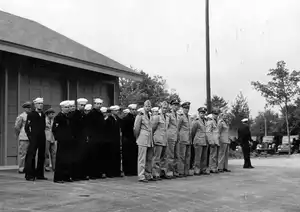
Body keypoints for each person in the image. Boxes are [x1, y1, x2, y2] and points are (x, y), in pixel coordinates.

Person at [24, 97, 47, 181]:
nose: (40, 105)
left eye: (41, 103)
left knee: (42, 155)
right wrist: (30, 136)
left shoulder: (43, 114)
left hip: (42, 136)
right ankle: (30, 174)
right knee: (31, 155)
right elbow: (27, 127)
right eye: (39, 103)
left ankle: (40, 174)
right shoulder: (31, 114)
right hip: (34, 137)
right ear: (35, 104)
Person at [52, 101, 73, 183]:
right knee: (60, 159)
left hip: (68, 140)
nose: (67, 109)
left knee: (67, 159)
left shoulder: (68, 117)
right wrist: (58, 138)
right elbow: (54, 129)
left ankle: (66, 176)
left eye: (68, 107)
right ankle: (58, 177)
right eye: (65, 107)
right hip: (62, 141)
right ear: (62, 108)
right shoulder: (58, 117)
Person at [134, 100, 153, 182]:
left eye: (149, 106)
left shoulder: (150, 115)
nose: (148, 107)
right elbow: (136, 128)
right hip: (142, 138)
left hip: (149, 139)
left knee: (149, 158)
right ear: (144, 106)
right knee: (142, 158)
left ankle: (148, 174)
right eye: (146, 106)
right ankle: (141, 175)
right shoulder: (140, 114)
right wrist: (137, 137)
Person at [70, 98, 89, 181]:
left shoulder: (84, 115)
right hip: (76, 139)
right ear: (78, 105)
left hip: (83, 138)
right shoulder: (74, 115)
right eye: (81, 105)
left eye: (84, 105)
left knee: (83, 157)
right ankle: (75, 175)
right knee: (76, 157)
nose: (83, 107)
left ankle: (82, 174)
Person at [86, 98, 105, 179]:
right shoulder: (91, 114)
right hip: (93, 137)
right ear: (94, 104)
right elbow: (88, 126)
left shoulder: (100, 114)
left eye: (100, 104)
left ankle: (98, 172)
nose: (99, 105)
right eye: (97, 104)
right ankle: (92, 173)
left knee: (99, 155)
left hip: (100, 137)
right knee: (93, 155)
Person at [151, 101, 169, 180]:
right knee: (156, 157)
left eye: (166, 108)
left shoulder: (167, 117)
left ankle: (162, 172)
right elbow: (152, 128)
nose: (164, 109)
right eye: (163, 108)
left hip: (164, 139)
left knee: (164, 157)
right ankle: (155, 173)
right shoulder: (157, 116)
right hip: (158, 138)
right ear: (160, 108)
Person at [191, 107, 210, 175]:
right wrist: (193, 139)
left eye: (204, 113)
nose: (202, 114)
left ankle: (203, 169)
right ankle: (197, 169)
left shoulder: (206, 121)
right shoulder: (196, 121)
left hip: (205, 140)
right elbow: (193, 131)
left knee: (204, 156)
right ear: (199, 113)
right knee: (198, 157)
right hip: (198, 140)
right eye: (201, 113)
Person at [105, 105, 122, 177]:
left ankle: (117, 171)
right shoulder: (108, 119)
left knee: (116, 155)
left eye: (117, 110)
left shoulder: (117, 118)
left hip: (116, 140)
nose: (117, 112)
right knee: (111, 156)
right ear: (112, 111)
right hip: (110, 140)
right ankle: (110, 172)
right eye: (115, 110)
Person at [14, 101, 32, 174]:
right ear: (24, 109)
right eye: (27, 108)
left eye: (30, 107)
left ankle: (29, 167)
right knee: (23, 153)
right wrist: (19, 134)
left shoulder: (32, 115)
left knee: (30, 153)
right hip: (24, 136)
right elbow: (17, 127)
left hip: (31, 136)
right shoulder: (21, 116)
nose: (29, 109)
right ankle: (21, 168)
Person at [121, 104, 138, 176]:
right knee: (127, 156)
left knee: (133, 156)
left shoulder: (136, 118)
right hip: (128, 139)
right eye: (132, 110)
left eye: (135, 109)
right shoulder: (126, 119)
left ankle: (133, 170)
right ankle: (128, 171)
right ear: (130, 110)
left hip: (134, 139)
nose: (134, 111)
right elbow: (124, 130)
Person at [166, 99, 180, 178]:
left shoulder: (178, 114)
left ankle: (175, 171)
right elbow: (166, 125)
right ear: (171, 105)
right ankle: (169, 171)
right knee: (170, 155)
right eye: (174, 105)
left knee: (176, 155)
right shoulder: (169, 114)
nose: (176, 106)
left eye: (177, 105)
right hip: (170, 136)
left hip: (177, 136)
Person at [177, 101, 193, 177]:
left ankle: (186, 171)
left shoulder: (189, 117)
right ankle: (181, 171)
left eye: (188, 108)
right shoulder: (181, 116)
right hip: (182, 138)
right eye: (185, 108)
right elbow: (178, 127)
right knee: (182, 156)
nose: (187, 109)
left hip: (188, 139)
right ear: (182, 108)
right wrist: (179, 137)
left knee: (187, 156)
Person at [207, 108, 220, 174]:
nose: (216, 115)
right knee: (212, 155)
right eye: (215, 114)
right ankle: (211, 168)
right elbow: (208, 132)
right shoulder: (210, 121)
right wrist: (210, 141)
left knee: (215, 155)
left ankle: (214, 167)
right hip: (213, 141)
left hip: (216, 140)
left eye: (217, 114)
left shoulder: (216, 121)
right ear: (212, 114)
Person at [44, 108, 56, 172]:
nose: (53, 115)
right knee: (46, 153)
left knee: (53, 152)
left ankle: (54, 166)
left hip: (52, 138)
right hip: (46, 137)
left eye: (53, 114)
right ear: (48, 114)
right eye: (51, 114)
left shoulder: (53, 120)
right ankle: (47, 166)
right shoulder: (44, 120)